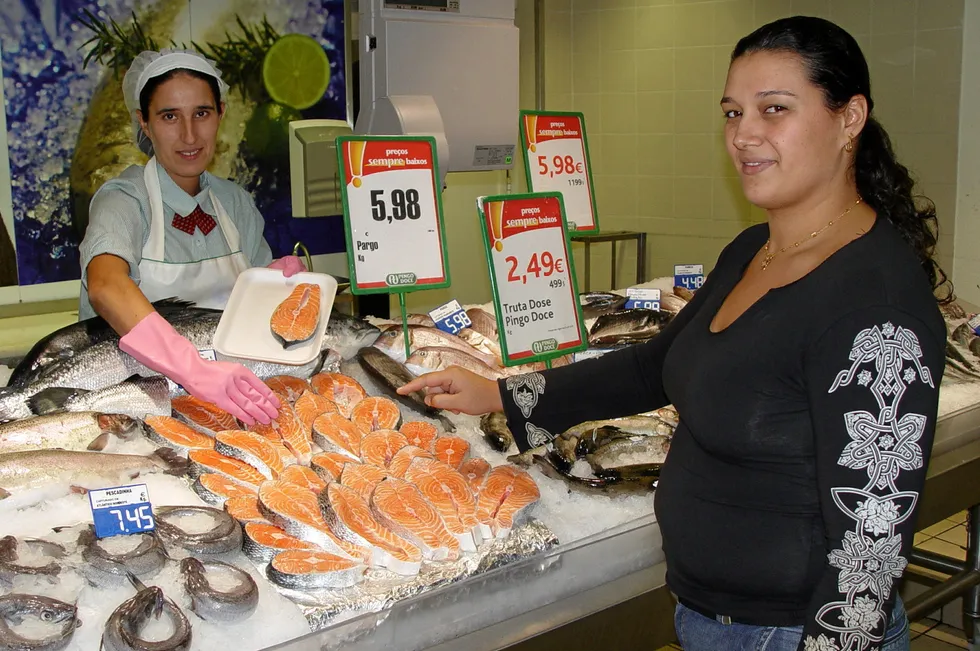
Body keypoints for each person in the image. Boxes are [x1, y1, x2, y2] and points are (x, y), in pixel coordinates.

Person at [400, 16, 948, 651]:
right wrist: (500, 394)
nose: (744, 135)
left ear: (849, 118)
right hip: (712, 620)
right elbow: (654, 366)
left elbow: (872, 539)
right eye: (732, 112)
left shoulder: (874, 301)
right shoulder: (753, 250)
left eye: (774, 110)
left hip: (790, 633)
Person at [78, 49, 305, 425]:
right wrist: (194, 370)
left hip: (225, 403)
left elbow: (254, 323)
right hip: (126, 402)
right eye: (169, 117)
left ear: (220, 115)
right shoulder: (124, 201)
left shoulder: (234, 204)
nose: (189, 135)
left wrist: (274, 285)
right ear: (144, 124)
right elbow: (105, 286)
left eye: (202, 113)